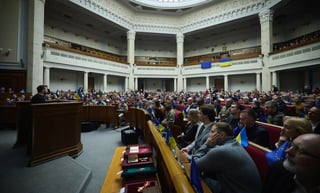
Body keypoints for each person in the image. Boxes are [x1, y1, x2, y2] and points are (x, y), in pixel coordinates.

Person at [195, 121, 262, 193]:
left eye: (212, 132)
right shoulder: (234, 144)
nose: (209, 135)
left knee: (196, 179)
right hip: (240, 188)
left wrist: (206, 145)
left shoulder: (222, 151)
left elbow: (194, 165)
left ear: (222, 135)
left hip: (235, 190)